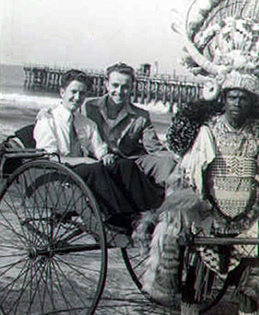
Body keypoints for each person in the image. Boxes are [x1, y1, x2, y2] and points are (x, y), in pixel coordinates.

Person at [143, 83, 259, 315]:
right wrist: (204, 98)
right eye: (232, 97)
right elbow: (179, 133)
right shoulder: (206, 130)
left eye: (244, 98)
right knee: (194, 283)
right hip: (209, 218)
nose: (237, 104)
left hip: (248, 221)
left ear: (251, 103)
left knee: (248, 290)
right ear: (224, 99)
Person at [33, 69, 164, 231]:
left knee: (124, 165)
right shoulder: (48, 120)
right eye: (73, 92)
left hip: (83, 169)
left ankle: (152, 209)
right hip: (59, 172)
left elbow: (99, 147)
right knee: (95, 168)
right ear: (62, 92)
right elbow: (50, 158)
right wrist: (85, 160)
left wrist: (105, 155)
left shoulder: (85, 122)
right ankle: (116, 216)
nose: (77, 98)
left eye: (82, 94)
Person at [83, 62, 177, 186]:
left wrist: (177, 159)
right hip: (97, 160)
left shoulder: (141, 116)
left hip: (129, 162)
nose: (120, 91)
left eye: (125, 87)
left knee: (167, 162)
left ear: (132, 87)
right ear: (106, 85)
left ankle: (165, 201)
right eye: (115, 85)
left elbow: (154, 147)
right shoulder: (89, 107)